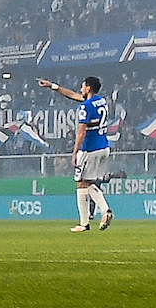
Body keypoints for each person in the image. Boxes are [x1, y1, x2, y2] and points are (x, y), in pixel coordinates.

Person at [39, 75, 113, 231]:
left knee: (80, 183)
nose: (80, 89)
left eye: (83, 86)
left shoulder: (85, 107)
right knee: (88, 183)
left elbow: (81, 133)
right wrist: (53, 86)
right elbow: (72, 95)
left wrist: (75, 153)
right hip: (104, 148)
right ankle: (100, 214)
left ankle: (89, 220)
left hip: (89, 149)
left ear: (88, 88)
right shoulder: (101, 101)